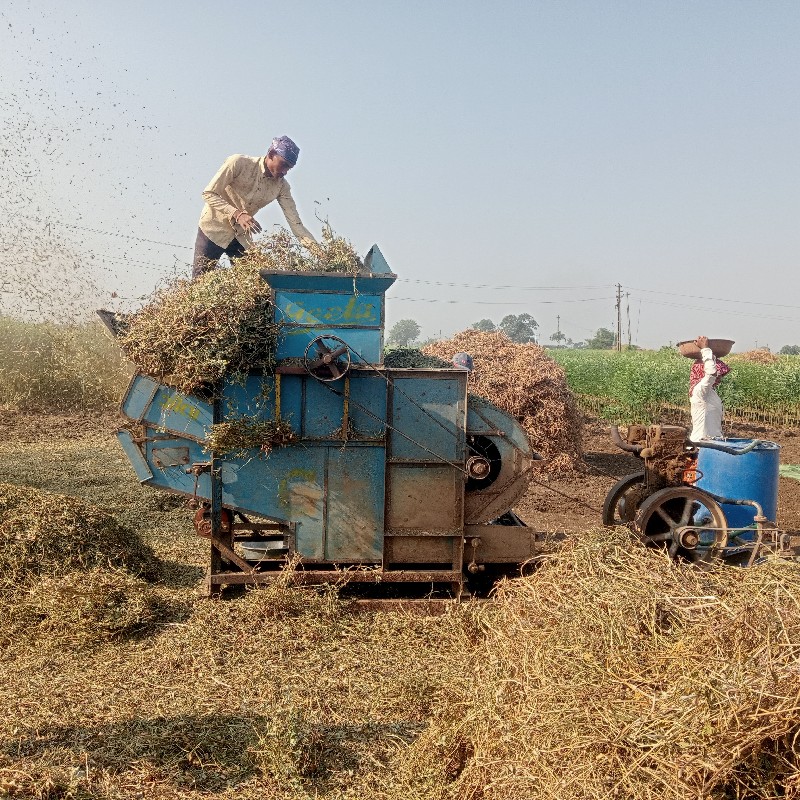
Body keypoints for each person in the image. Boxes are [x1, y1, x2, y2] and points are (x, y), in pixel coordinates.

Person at [192, 136, 318, 278]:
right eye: (283, 165)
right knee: (199, 281)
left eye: (289, 168)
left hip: (240, 235)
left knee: (255, 284)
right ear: (270, 155)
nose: (285, 172)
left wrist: (318, 251)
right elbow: (208, 193)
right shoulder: (239, 163)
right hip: (213, 228)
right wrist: (237, 214)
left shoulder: (282, 186)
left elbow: (296, 224)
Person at [689, 335, 730, 442]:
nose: (719, 378)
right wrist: (705, 349)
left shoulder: (710, 393)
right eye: (719, 375)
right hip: (702, 446)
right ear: (702, 372)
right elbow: (711, 373)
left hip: (712, 444)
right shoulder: (701, 390)